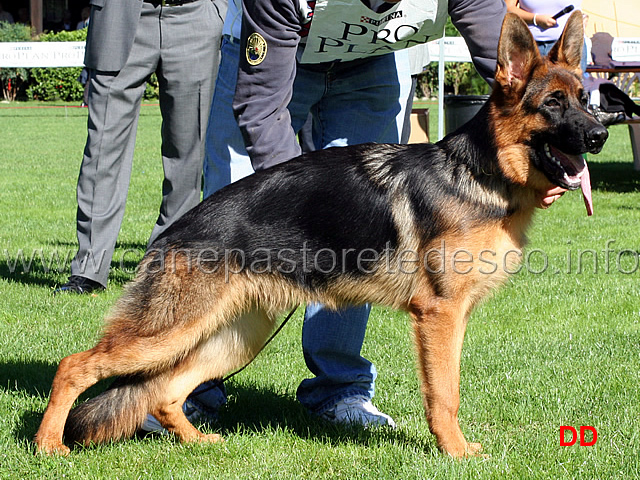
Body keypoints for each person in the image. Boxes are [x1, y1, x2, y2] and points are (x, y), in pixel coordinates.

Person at [169, 0, 508, 434]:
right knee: (233, 222)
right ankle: (185, 391)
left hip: (368, 63)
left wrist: (549, 143)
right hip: (272, 56)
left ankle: (339, 391)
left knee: (365, 228)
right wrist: (299, 217)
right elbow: (260, 107)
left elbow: (507, 64)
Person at [55, 0, 227, 295]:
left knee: (188, 154)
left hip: (195, 16)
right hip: (118, 15)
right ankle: (88, 270)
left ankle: (167, 263)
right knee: (102, 150)